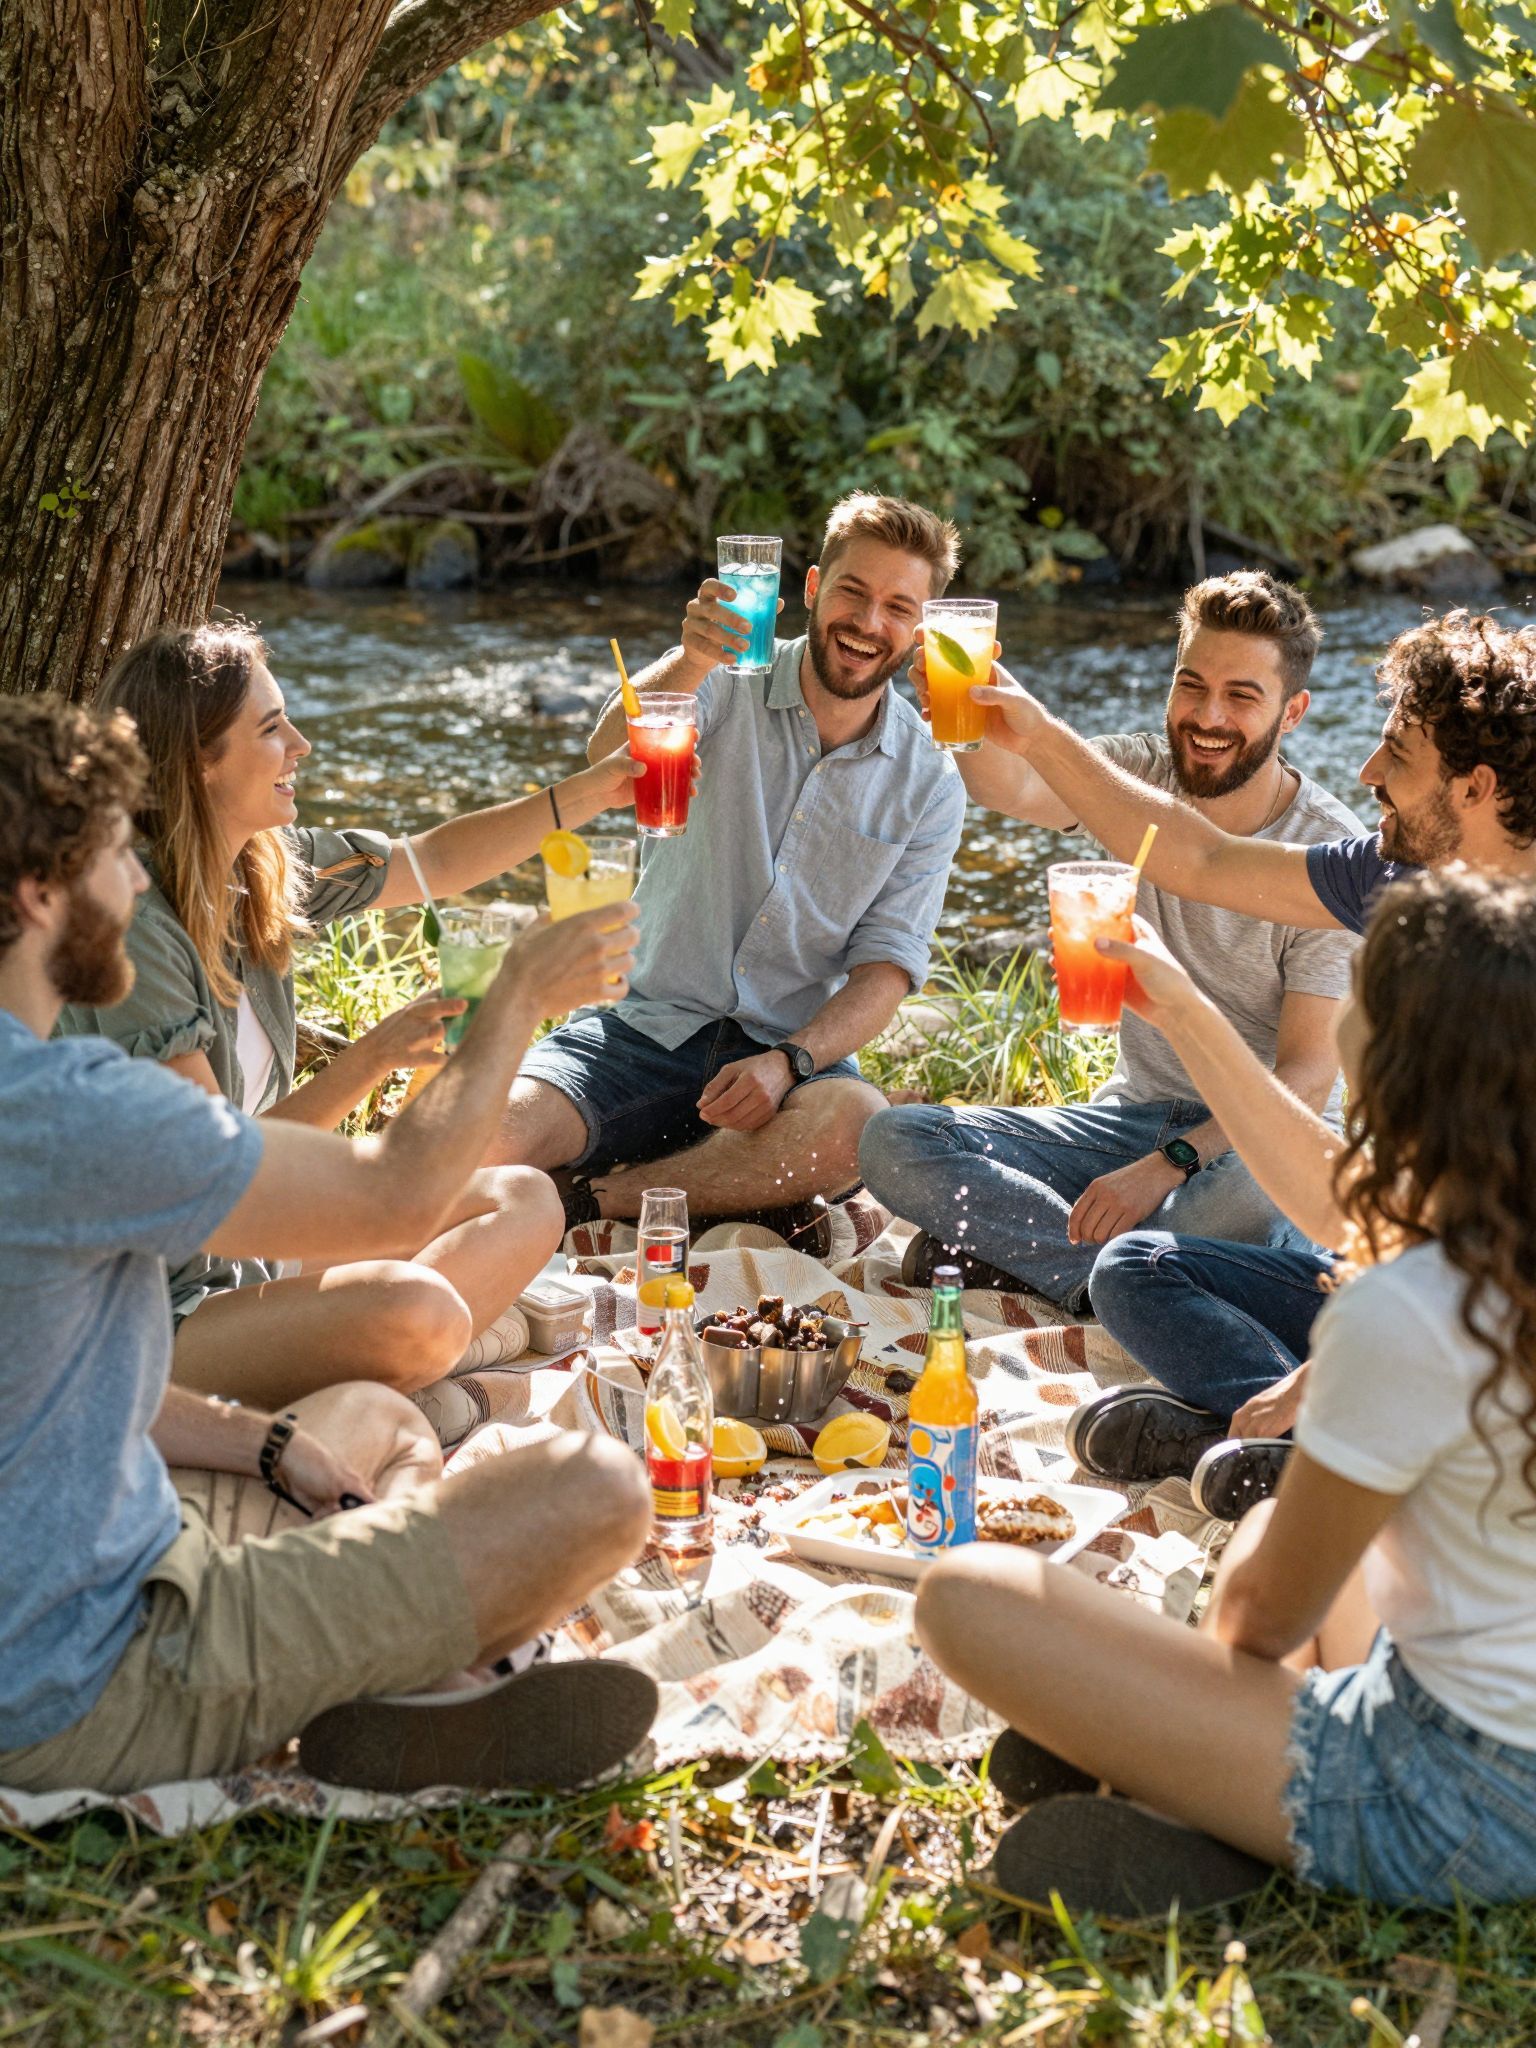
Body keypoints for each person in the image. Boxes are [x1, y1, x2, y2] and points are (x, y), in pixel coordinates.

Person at [0, 693, 656, 1797]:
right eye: (119, 854)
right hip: (87, 1680)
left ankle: (417, 1682)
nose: (140, 882)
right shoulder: (69, 1108)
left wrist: (259, 1444)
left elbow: (49, 1378)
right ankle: (420, 1684)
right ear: (37, 893)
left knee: (374, 1421)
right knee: (596, 1486)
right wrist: (518, 999)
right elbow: (395, 1195)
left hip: (112, 1570)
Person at [916, 871, 1536, 1917]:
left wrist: (1173, 1700)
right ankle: (1194, 1786)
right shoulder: (1480, 1267)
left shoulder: (1406, 1309)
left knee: (966, 1594)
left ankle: (1207, 1812)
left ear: (1392, 1068)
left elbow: (1257, 1625)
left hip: (1453, 1807)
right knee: (1255, 1529)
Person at [977, 609, 1536, 1518]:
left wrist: (1349, 1351)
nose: (1365, 775)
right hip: (1409, 1269)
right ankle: (1276, 1433)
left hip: (1490, 1331)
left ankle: (1295, 1442)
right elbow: (1201, 855)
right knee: (1137, 1268)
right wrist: (1039, 736)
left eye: (1395, 755)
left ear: (1475, 787)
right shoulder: (1399, 876)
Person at [59, 622, 651, 1409]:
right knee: (420, 1310)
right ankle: (382, 1366)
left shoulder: (257, 868)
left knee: (524, 1199)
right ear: (198, 762)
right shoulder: (138, 933)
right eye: (271, 729)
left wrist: (591, 792)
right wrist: (366, 1063)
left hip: (254, 1258)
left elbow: (432, 862)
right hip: (152, 1309)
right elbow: (219, 1185)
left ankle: (366, 1364)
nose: (300, 745)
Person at [859, 571, 1361, 1307]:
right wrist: (966, 711)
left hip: (1250, 1144)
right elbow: (1014, 787)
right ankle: (1119, 1280)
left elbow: (1305, 1080)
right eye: (1191, 686)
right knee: (895, 1141)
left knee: (1244, 1204)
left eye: (1242, 696)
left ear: (1293, 714)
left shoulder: (1324, 857)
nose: (1207, 715)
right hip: (1125, 1118)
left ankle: (1045, 1253)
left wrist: (1170, 1163)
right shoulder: (1135, 776)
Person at [489, 494, 969, 1258]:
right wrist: (692, 656)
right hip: (640, 1028)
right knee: (488, 1131)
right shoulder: (721, 678)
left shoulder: (930, 782)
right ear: (811, 588)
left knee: (856, 1126)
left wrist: (790, 1063)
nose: (868, 623)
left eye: (897, 607)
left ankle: (599, 1196)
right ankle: (695, 1177)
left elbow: (886, 970)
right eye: (852, 592)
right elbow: (607, 750)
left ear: (921, 630)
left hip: (786, 1057)